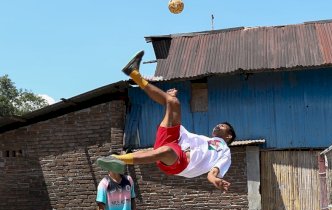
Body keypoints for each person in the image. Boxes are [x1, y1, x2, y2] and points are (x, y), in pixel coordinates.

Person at [96, 51, 236, 192]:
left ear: (229, 136)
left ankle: (117, 159)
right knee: (173, 102)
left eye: (223, 126)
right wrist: (168, 102)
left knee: (165, 150)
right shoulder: (205, 139)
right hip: (175, 139)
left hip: (180, 161)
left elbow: (212, 173)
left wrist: (215, 180)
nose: (219, 125)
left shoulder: (225, 152)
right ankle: (134, 74)